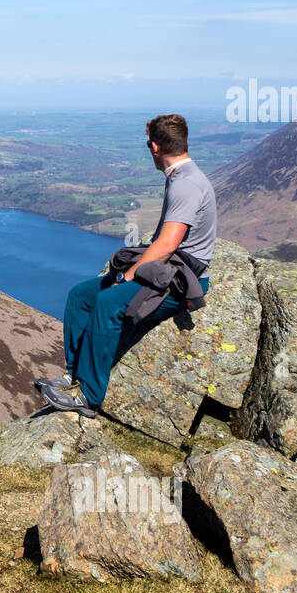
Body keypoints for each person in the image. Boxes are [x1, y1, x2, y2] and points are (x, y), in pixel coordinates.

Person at [36, 113, 217, 418]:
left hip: (180, 281)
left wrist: (128, 275)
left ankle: (88, 395)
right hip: (167, 269)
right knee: (81, 296)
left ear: (154, 148)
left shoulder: (186, 185)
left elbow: (168, 244)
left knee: (108, 301)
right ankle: (73, 376)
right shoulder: (183, 177)